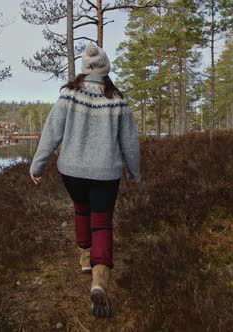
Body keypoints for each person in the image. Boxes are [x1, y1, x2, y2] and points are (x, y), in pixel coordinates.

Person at [29, 43, 141, 318]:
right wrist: (134, 172)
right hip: (106, 173)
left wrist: (38, 164)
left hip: (72, 171)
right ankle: (99, 281)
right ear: (105, 69)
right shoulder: (117, 100)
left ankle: (84, 257)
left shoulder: (68, 95)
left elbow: (51, 132)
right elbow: (130, 143)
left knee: (81, 208)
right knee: (101, 223)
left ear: (84, 68)